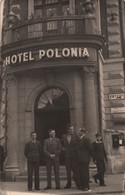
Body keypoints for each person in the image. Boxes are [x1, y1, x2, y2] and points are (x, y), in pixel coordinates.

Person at [61, 124, 79, 189]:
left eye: (72, 129)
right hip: (67, 156)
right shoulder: (64, 136)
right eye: (70, 129)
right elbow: (61, 144)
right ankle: (69, 184)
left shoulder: (76, 136)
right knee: (68, 171)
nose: (72, 130)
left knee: (75, 170)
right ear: (68, 130)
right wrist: (63, 148)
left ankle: (78, 183)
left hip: (74, 156)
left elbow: (79, 144)